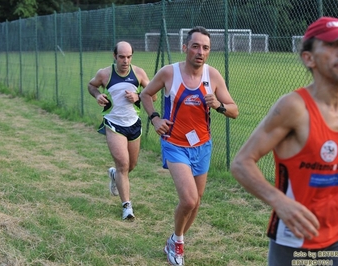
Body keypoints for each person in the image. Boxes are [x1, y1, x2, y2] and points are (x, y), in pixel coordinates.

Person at [231, 16, 338, 266]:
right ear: (308, 58)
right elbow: (242, 163)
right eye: (332, 45)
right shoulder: (294, 107)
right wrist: (280, 202)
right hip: (295, 237)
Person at [140, 26, 238, 265]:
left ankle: (174, 238)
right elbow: (145, 94)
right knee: (189, 200)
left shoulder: (213, 76)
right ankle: (179, 244)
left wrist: (219, 105)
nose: (200, 52)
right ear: (185, 48)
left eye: (205, 48)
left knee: (197, 201)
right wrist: (155, 118)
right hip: (175, 144)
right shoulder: (169, 73)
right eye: (195, 46)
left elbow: (234, 110)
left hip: (202, 146)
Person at [88, 41, 156, 220]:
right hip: (113, 124)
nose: (125, 61)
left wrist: (138, 96)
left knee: (131, 165)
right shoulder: (105, 74)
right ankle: (127, 206)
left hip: (133, 124)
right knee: (123, 165)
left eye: (129, 57)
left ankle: (114, 174)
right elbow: (91, 85)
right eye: (122, 57)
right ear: (115, 56)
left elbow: (153, 95)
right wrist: (97, 95)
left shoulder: (139, 73)